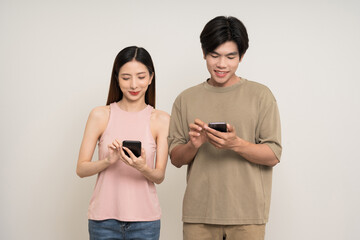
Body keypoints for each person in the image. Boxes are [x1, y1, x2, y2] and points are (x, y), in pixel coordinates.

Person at [168, 16, 282, 240]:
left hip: (247, 217)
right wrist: (194, 144)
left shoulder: (261, 96)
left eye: (231, 57)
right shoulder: (185, 99)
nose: (222, 64)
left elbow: (273, 155)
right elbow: (175, 159)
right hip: (198, 215)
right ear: (203, 52)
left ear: (241, 56)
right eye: (214, 55)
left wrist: (236, 144)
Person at [76, 46, 170, 240]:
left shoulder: (161, 119)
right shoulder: (100, 115)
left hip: (146, 222)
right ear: (117, 79)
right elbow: (81, 169)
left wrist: (142, 167)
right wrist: (108, 161)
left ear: (151, 78)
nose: (134, 85)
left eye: (141, 77)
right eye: (126, 78)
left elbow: (159, 176)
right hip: (103, 220)